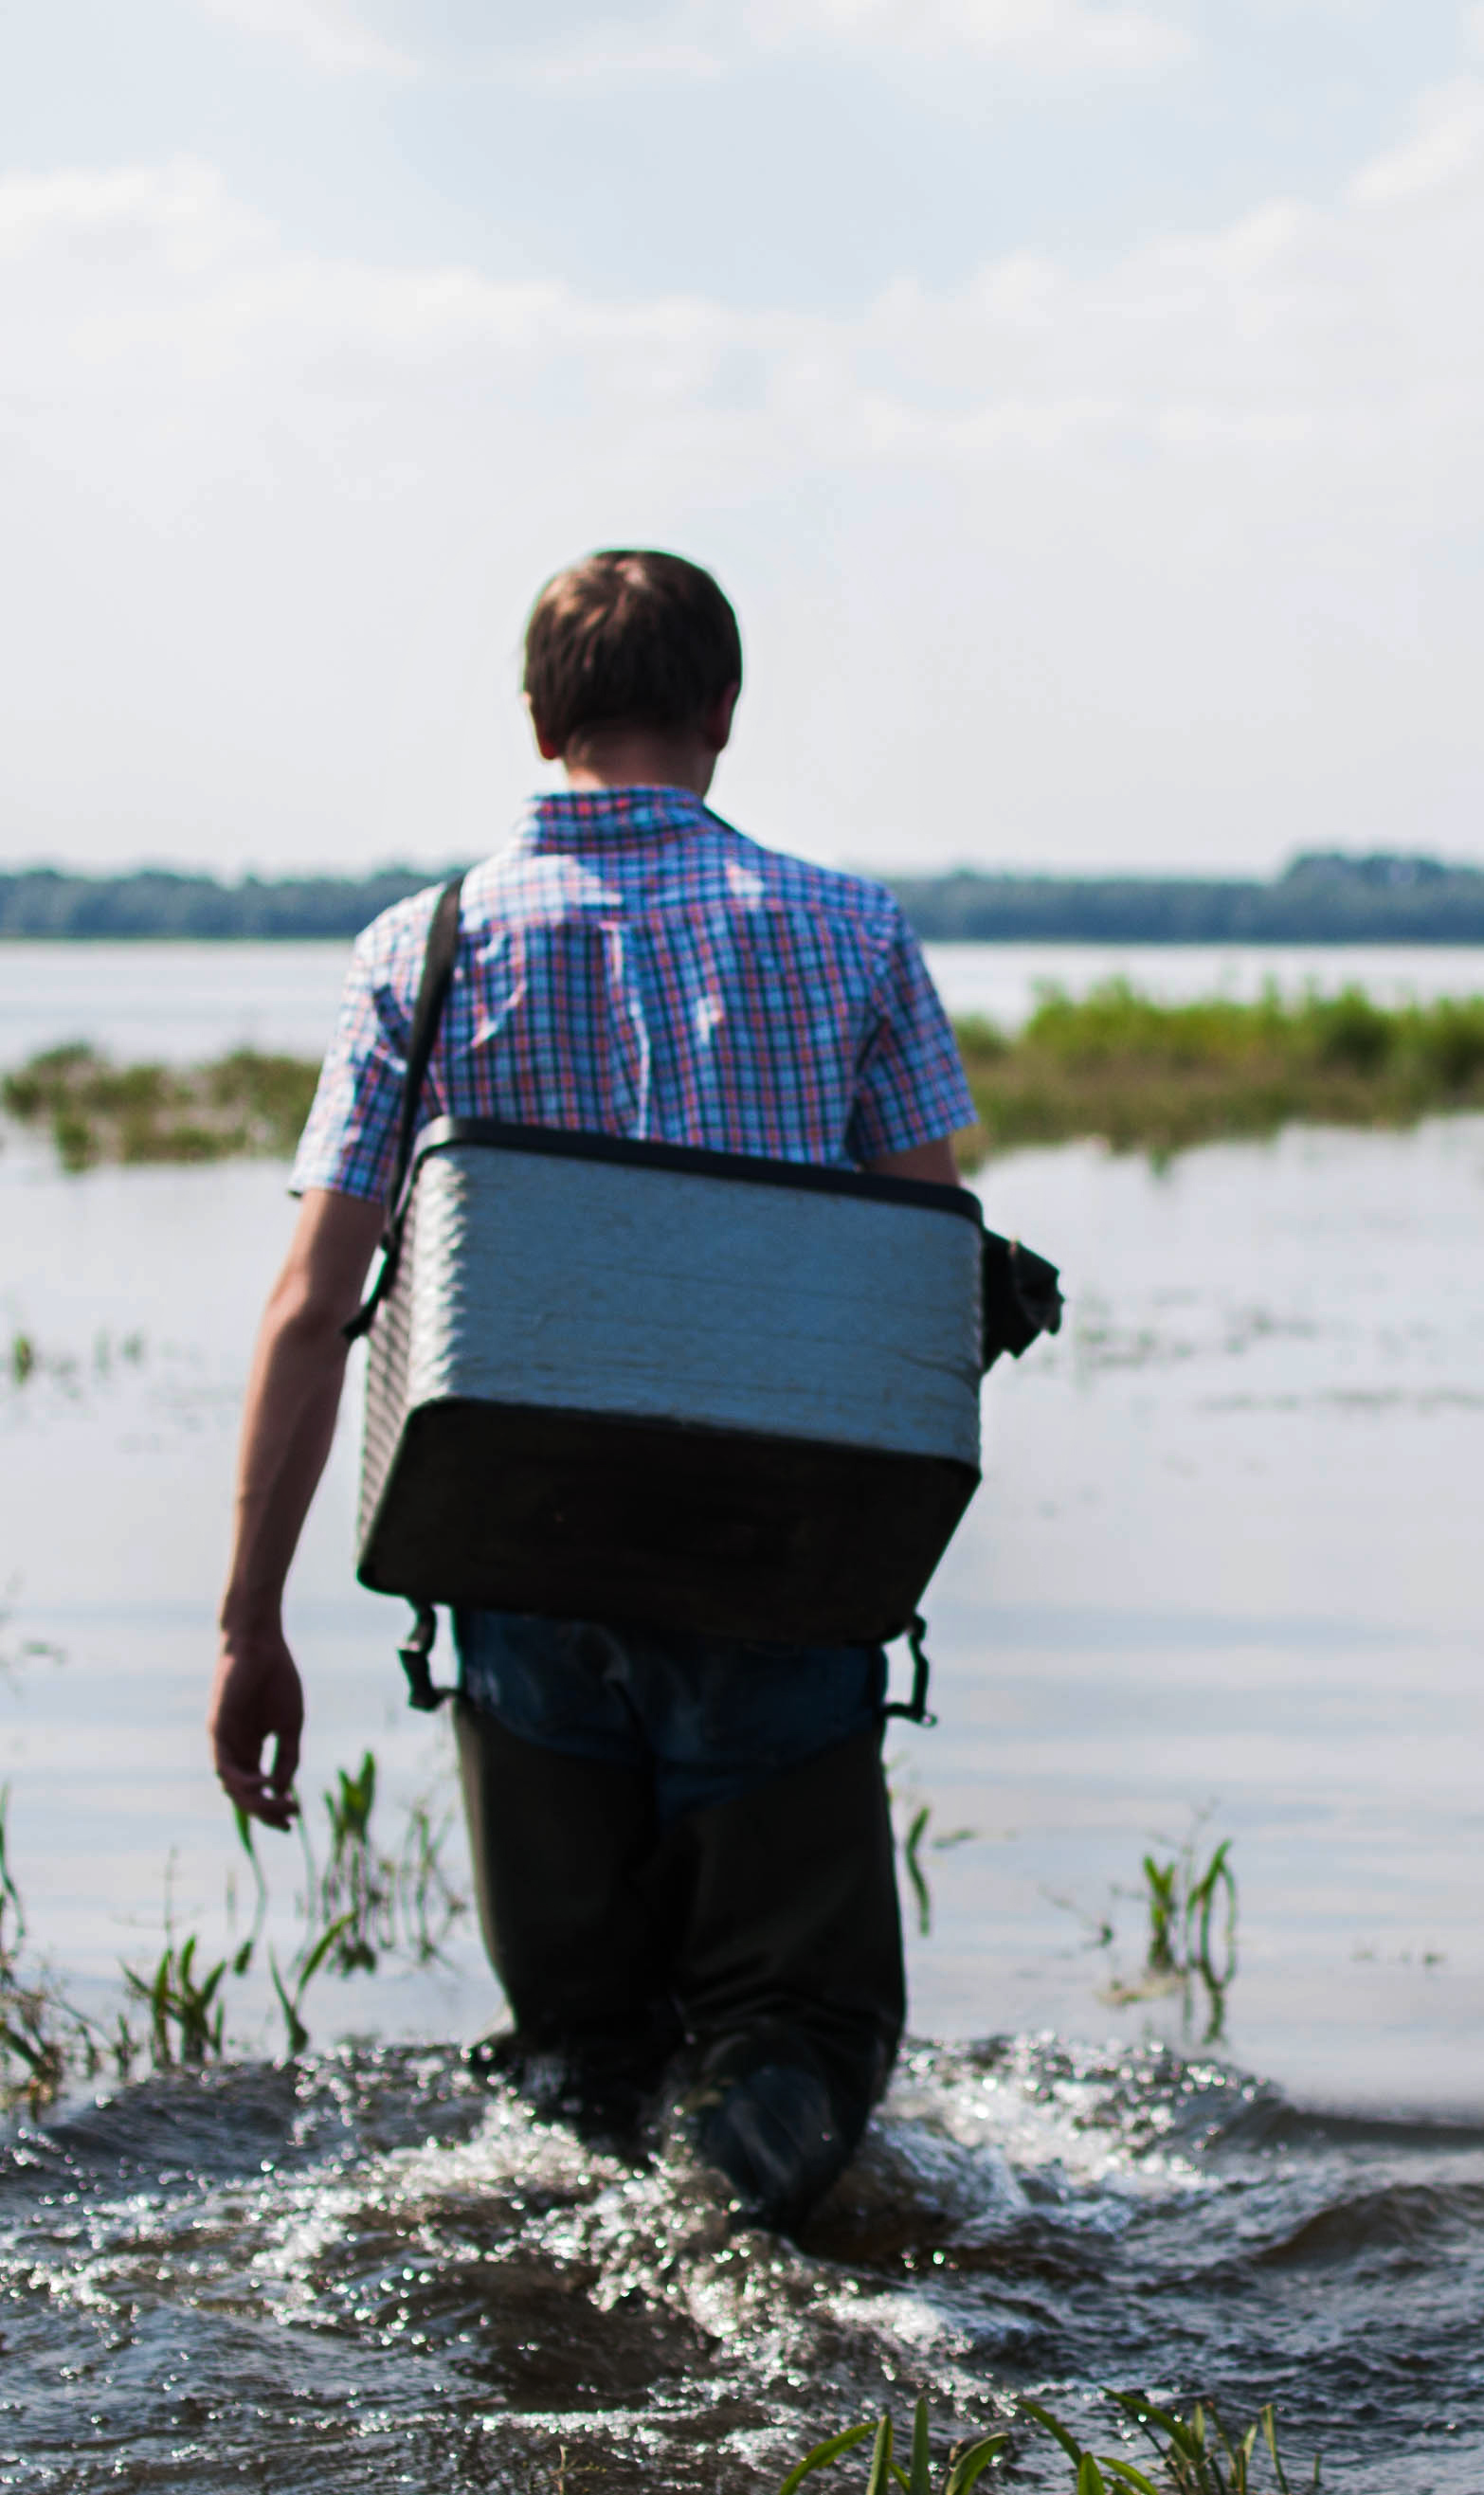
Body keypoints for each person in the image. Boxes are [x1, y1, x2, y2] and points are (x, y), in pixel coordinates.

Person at [206, 548, 979, 2233]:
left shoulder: (422, 949)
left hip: (522, 1563)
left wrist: (249, 1624)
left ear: (537, 716)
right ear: (724, 712)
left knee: (582, 2054)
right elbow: (924, 1269)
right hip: (776, 1559)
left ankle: (596, 2290)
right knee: (801, 2028)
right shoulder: (851, 931)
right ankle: (729, 2253)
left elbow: (312, 1308)